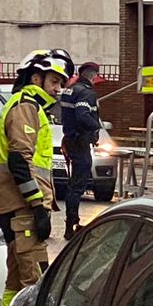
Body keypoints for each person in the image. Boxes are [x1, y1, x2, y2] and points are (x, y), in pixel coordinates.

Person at [0, 51, 69, 306]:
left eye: (61, 83)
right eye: (54, 81)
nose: (58, 89)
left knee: (15, 283)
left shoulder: (27, 105)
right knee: (36, 285)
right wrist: (37, 207)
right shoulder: (26, 106)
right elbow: (19, 162)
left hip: (14, 207)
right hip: (21, 209)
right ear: (36, 78)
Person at [57, 60, 101, 241]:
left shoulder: (70, 90)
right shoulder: (86, 93)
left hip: (70, 139)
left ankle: (71, 222)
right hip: (80, 142)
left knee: (73, 184)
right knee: (77, 186)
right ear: (93, 76)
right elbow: (83, 115)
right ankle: (72, 225)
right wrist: (96, 127)